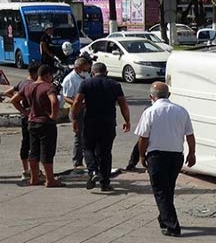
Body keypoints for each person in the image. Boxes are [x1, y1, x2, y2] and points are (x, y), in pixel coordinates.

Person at [135, 82, 196, 237]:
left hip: (157, 156)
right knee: (168, 188)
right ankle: (164, 217)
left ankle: (172, 226)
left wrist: (142, 156)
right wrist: (192, 153)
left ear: (151, 97)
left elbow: (143, 138)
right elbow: (190, 135)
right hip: (176, 156)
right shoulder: (181, 111)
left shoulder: (150, 112)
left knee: (160, 190)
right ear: (169, 95)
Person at [71, 62, 130, 192]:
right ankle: (105, 183)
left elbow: (76, 102)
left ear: (92, 72)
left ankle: (92, 171)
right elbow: (123, 104)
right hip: (108, 123)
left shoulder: (86, 83)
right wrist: (127, 120)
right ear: (106, 72)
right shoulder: (115, 85)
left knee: (88, 148)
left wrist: (74, 119)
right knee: (105, 153)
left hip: (90, 122)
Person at [10, 65, 64, 187]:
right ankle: (50, 180)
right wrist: (53, 115)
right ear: (47, 75)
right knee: (47, 152)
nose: (52, 78)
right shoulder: (48, 87)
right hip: (46, 123)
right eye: (51, 76)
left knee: (33, 151)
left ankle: (34, 178)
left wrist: (25, 112)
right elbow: (54, 102)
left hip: (32, 122)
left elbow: (14, 99)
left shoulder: (28, 86)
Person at [4, 62, 40, 180]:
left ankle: (26, 170)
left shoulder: (22, 82)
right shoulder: (30, 85)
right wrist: (24, 110)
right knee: (33, 144)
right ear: (36, 73)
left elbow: (7, 92)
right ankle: (34, 171)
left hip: (25, 117)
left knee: (25, 143)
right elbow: (14, 99)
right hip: (30, 117)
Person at [61, 58, 91, 169]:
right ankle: (77, 161)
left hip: (87, 109)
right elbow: (66, 97)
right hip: (77, 110)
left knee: (88, 136)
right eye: (84, 68)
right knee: (79, 136)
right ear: (78, 68)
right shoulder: (70, 79)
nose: (86, 71)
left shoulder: (86, 76)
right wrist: (77, 103)